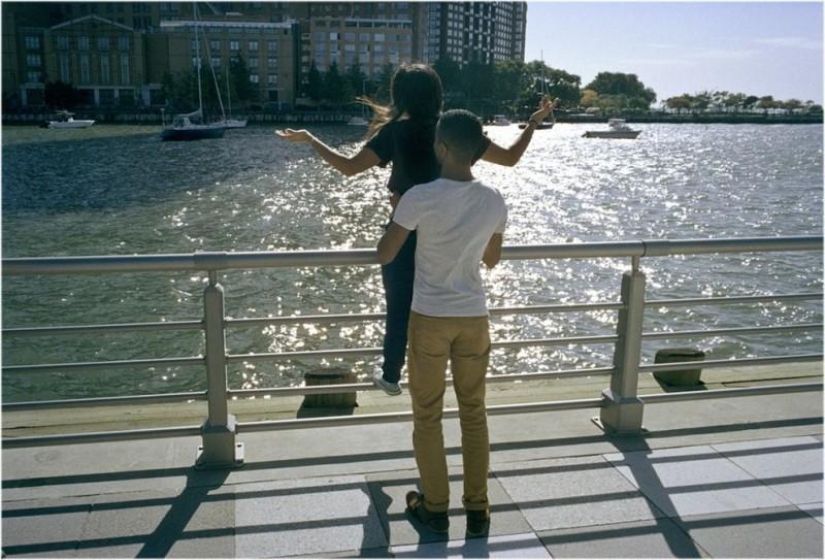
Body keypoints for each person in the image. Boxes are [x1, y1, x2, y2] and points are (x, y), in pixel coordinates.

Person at [276, 63, 553, 397]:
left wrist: (310, 140)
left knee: (400, 305)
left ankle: (392, 372)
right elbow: (510, 158)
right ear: (436, 93)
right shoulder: (452, 131)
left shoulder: (396, 132)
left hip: (405, 232)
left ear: (400, 95)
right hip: (450, 235)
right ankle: (449, 370)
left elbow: (348, 168)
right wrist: (534, 122)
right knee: (448, 299)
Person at [377, 109, 505, 537]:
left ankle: (434, 506)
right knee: (474, 412)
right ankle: (478, 509)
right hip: (474, 317)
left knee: (428, 415)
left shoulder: (420, 196)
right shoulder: (494, 199)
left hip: (430, 317)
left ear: (443, 148)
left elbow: (386, 253)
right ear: (475, 152)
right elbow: (491, 259)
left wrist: (397, 212)